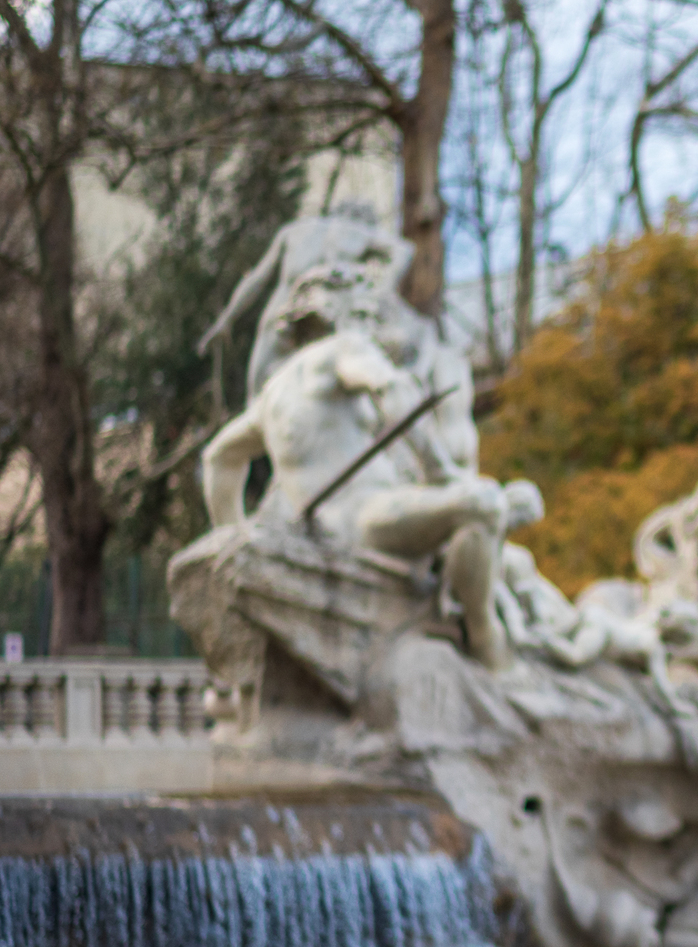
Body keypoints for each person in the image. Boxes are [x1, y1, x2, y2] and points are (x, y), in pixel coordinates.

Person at [199, 268, 528, 671]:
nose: (373, 326)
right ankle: (485, 639)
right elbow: (392, 389)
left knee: (499, 517)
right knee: (484, 502)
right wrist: (441, 471)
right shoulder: (345, 348)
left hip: (327, 525)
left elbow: (219, 458)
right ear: (340, 312)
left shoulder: (272, 393)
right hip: (363, 516)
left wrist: (231, 535)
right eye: (366, 314)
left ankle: (465, 610)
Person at [197, 202, 414, 396]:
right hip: (325, 317)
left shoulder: (295, 230)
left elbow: (257, 278)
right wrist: (380, 290)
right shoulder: (358, 231)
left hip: (282, 311)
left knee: (258, 392)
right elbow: (405, 250)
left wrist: (226, 320)